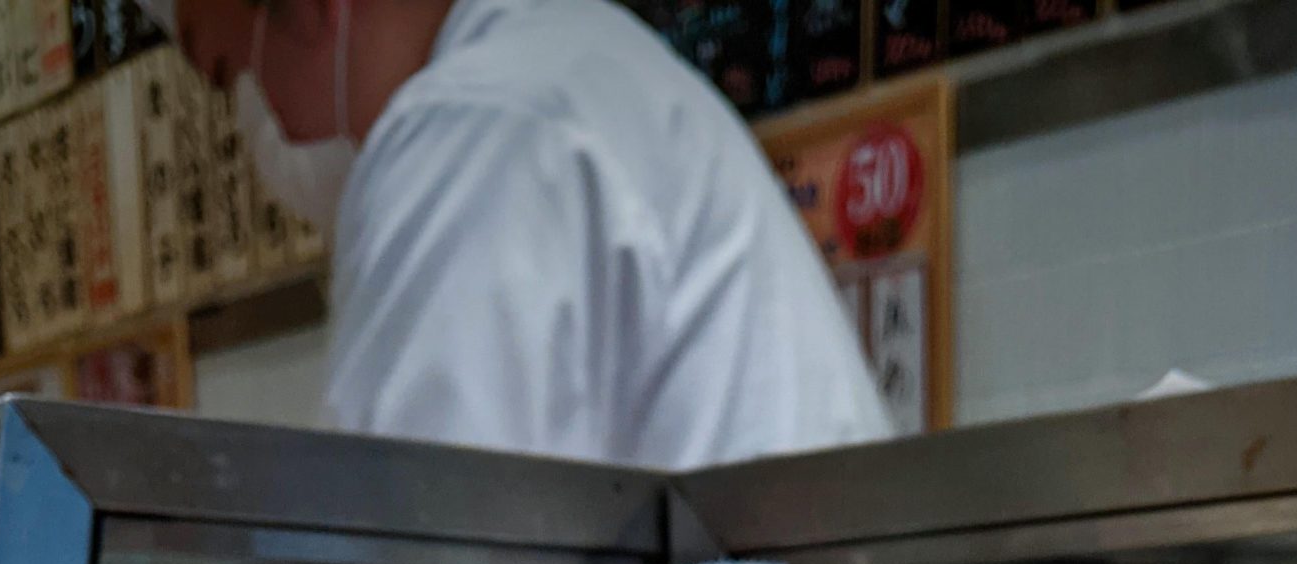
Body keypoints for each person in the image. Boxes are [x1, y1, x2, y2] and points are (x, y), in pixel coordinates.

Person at [158, 0, 889, 467]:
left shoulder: (472, 125)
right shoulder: (571, 57)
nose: (265, 131)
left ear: (313, 10)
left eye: (230, 75)